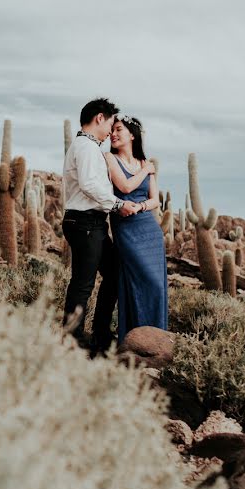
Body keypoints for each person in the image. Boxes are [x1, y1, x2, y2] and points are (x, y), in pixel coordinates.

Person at [62, 98, 140, 356]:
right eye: (109, 123)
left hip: (91, 223)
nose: (110, 130)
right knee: (83, 284)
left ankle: (100, 334)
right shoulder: (85, 147)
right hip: (84, 222)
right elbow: (88, 185)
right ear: (99, 118)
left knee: (115, 273)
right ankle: (73, 341)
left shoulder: (89, 147)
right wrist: (118, 205)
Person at [104, 115, 169, 343]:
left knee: (157, 286)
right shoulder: (110, 158)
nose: (113, 134)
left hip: (149, 229)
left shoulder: (144, 163)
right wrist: (147, 170)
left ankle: (155, 339)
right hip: (126, 230)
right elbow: (125, 185)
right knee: (142, 281)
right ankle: (136, 340)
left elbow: (155, 201)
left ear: (132, 134)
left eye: (118, 129)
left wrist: (141, 206)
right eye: (111, 130)